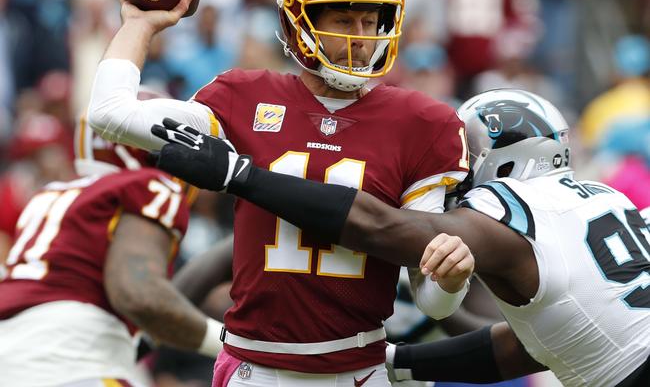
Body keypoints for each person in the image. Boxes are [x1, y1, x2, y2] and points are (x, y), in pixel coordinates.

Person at [87, 0, 474, 386]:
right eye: (344, 19)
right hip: (254, 368)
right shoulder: (242, 97)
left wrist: (450, 279)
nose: (361, 36)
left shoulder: (423, 123)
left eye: (371, 20)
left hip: (357, 369)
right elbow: (109, 114)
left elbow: (432, 301)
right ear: (299, 22)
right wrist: (139, 25)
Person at [153, 88, 650, 387]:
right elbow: (527, 346)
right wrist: (392, 362)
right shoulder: (606, 198)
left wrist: (242, 176)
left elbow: (382, 228)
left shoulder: (506, 212)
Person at [0, 104, 225, 387]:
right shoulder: (148, 185)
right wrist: (230, 345)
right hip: (68, 363)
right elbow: (141, 297)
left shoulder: (52, 194)